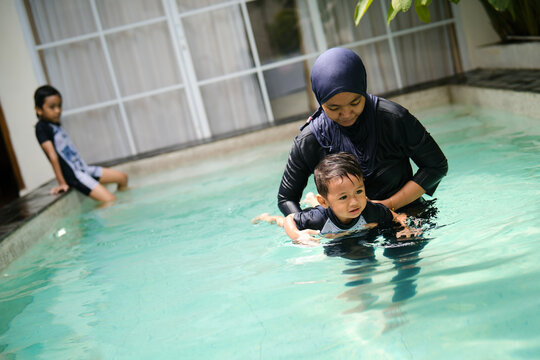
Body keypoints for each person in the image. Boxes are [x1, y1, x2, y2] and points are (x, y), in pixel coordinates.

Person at [277, 47, 448, 216]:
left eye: (355, 102)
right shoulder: (309, 140)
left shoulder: (393, 119)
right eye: (334, 108)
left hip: (405, 212)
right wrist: (303, 229)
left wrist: (389, 205)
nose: (346, 114)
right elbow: (286, 198)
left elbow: (436, 166)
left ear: (363, 89)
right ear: (320, 102)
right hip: (347, 225)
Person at [254, 152, 416, 245]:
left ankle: (315, 199)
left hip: (331, 208)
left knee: (338, 204)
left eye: (359, 192)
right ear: (324, 201)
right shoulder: (316, 218)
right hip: (323, 213)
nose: (354, 202)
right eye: (344, 196)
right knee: (281, 221)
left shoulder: (369, 209)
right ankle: (267, 217)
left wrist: (405, 227)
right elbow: (290, 219)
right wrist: (297, 235)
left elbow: (394, 215)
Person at [34, 85, 128, 203]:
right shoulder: (41, 128)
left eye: (59, 106)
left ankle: (125, 201)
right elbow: (52, 155)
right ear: (38, 109)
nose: (57, 110)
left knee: (123, 178)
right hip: (75, 176)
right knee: (110, 200)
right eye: (52, 107)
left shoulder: (55, 124)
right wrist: (62, 183)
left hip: (84, 169)